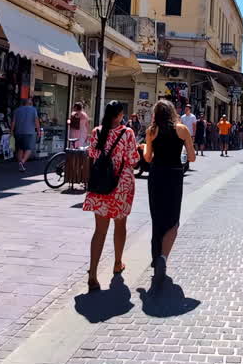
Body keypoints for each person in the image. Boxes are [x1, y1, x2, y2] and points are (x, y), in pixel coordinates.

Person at [82, 101, 138, 291]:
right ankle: (117, 263)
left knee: (99, 231)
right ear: (120, 114)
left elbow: (92, 153)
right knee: (120, 225)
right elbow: (133, 159)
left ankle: (93, 273)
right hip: (121, 185)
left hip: (100, 185)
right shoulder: (127, 133)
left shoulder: (97, 132)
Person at [143, 99, 196, 289]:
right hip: (174, 175)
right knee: (173, 220)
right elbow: (192, 157)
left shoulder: (151, 131)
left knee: (157, 218)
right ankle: (163, 258)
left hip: (156, 175)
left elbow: (147, 157)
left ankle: (156, 257)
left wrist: (145, 147)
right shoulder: (182, 129)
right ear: (172, 112)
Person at [9, 99, 41, 172]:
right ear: (29, 103)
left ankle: (20, 165)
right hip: (29, 132)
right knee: (29, 149)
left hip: (18, 132)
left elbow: (13, 122)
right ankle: (22, 162)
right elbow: (36, 121)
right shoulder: (33, 110)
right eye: (31, 102)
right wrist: (39, 131)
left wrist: (11, 131)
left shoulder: (17, 110)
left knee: (20, 148)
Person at [180, 105, 198, 170]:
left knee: (188, 149)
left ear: (190, 110)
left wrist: (194, 135)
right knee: (183, 149)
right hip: (183, 135)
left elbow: (194, 126)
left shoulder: (193, 117)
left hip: (190, 135)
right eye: (185, 109)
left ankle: (187, 164)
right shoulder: (182, 117)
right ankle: (182, 163)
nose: (186, 110)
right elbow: (181, 125)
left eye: (187, 109)